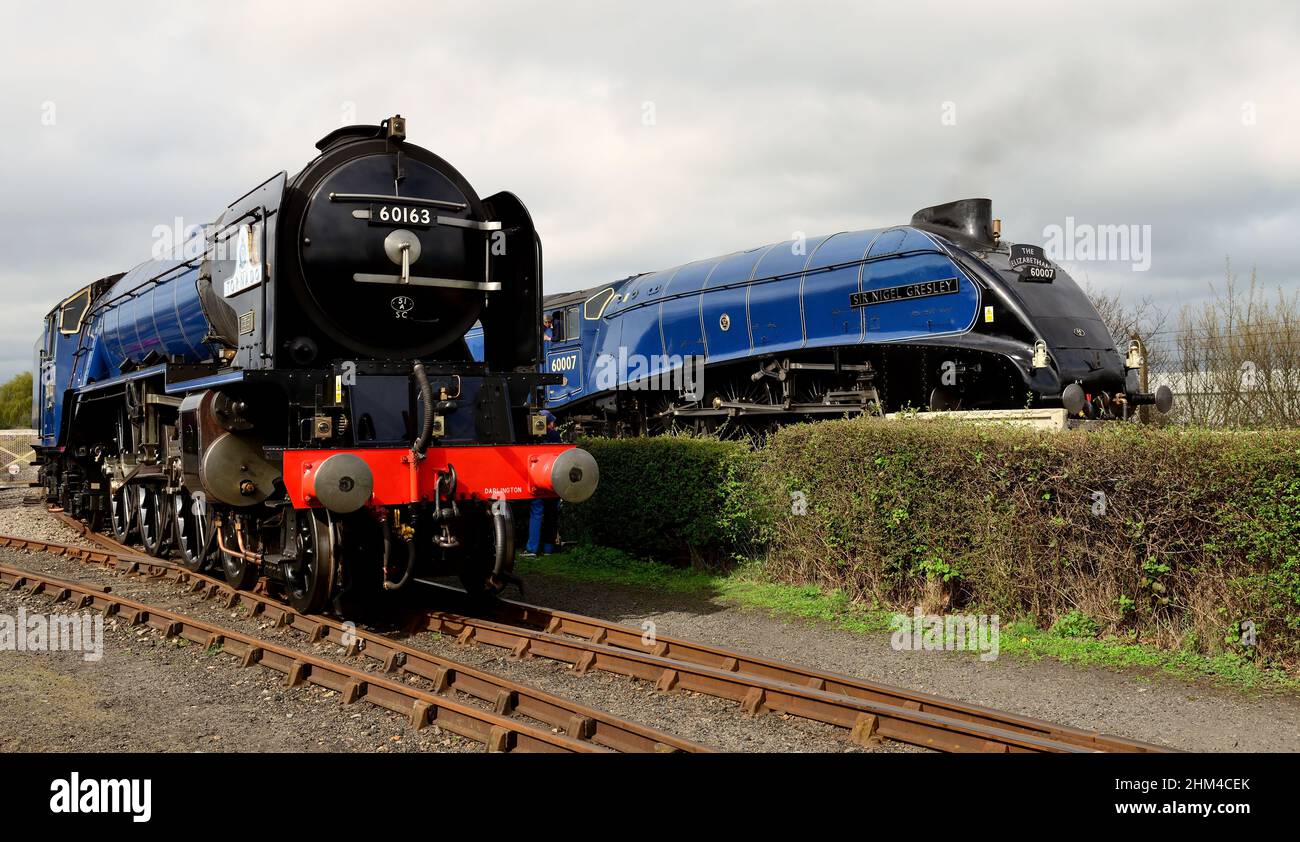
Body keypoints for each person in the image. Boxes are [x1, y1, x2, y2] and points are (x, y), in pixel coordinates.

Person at [522, 410, 561, 557]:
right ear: (549, 422)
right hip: (553, 479)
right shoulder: (555, 435)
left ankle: (532, 548)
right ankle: (548, 548)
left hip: (537, 479)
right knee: (552, 514)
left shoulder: (531, 436)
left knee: (536, 512)